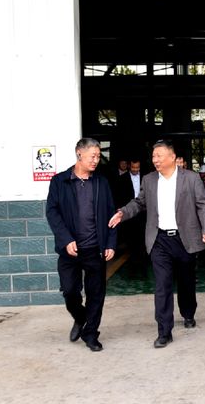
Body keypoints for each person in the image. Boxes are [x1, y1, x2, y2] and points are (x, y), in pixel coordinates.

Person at [108, 140, 205, 348]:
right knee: (162, 286)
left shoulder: (191, 178)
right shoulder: (149, 180)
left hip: (184, 239)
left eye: (159, 156)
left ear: (172, 157)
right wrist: (123, 212)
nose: (155, 160)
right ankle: (164, 331)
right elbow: (139, 202)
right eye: (153, 156)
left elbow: (203, 205)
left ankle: (188, 312)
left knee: (186, 281)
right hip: (160, 240)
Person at [45, 138, 117, 352]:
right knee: (69, 291)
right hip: (70, 250)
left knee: (96, 294)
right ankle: (80, 317)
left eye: (98, 156)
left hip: (96, 248)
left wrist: (111, 242)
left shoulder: (101, 182)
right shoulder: (60, 181)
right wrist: (66, 239)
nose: (96, 160)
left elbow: (111, 213)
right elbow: (52, 212)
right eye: (92, 156)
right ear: (79, 154)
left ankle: (91, 333)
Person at [116, 159, 147, 265]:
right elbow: (119, 196)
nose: (135, 170)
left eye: (137, 167)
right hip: (129, 212)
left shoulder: (146, 178)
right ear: (129, 166)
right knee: (131, 236)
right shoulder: (122, 179)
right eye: (133, 167)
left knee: (143, 235)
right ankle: (133, 260)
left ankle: (143, 259)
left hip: (144, 212)